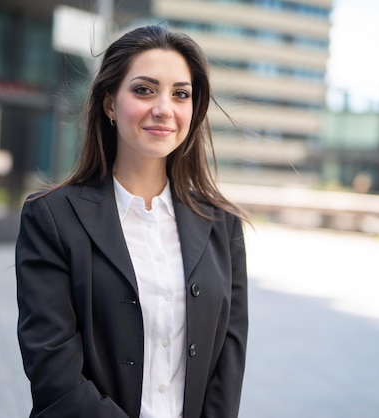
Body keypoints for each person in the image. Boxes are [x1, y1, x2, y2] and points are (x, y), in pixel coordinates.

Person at [15, 25, 248, 418]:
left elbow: (228, 367)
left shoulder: (222, 225)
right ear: (109, 104)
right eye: (144, 90)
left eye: (180, 94)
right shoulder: (51, 218)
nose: (164, 108)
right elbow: (54, 374)